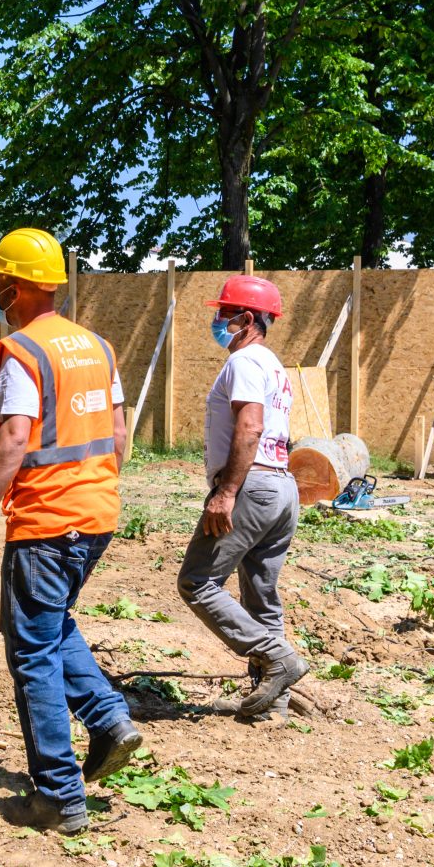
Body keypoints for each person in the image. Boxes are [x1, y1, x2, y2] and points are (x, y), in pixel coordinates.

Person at [0, 228, 143, 836]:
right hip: (97, 515)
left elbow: (14, 438)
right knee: (50, 623)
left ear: (13, 286)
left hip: (44, 523)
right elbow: (118, 432)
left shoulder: (24, 352)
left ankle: (60, 796)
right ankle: (111, 720)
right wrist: (95, 487)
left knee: (31, 649)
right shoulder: (97, 346)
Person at [175, 274, 306, 721]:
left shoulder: (245, 363)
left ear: (247, 319)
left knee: (196, 582)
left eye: (224, 314)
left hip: (252, 487)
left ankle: (279, 659)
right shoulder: (272, 365)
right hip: (281, 488)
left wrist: (226, 491)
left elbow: (249, 426)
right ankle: (274, 704)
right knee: (260, 594)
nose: (218, 321)